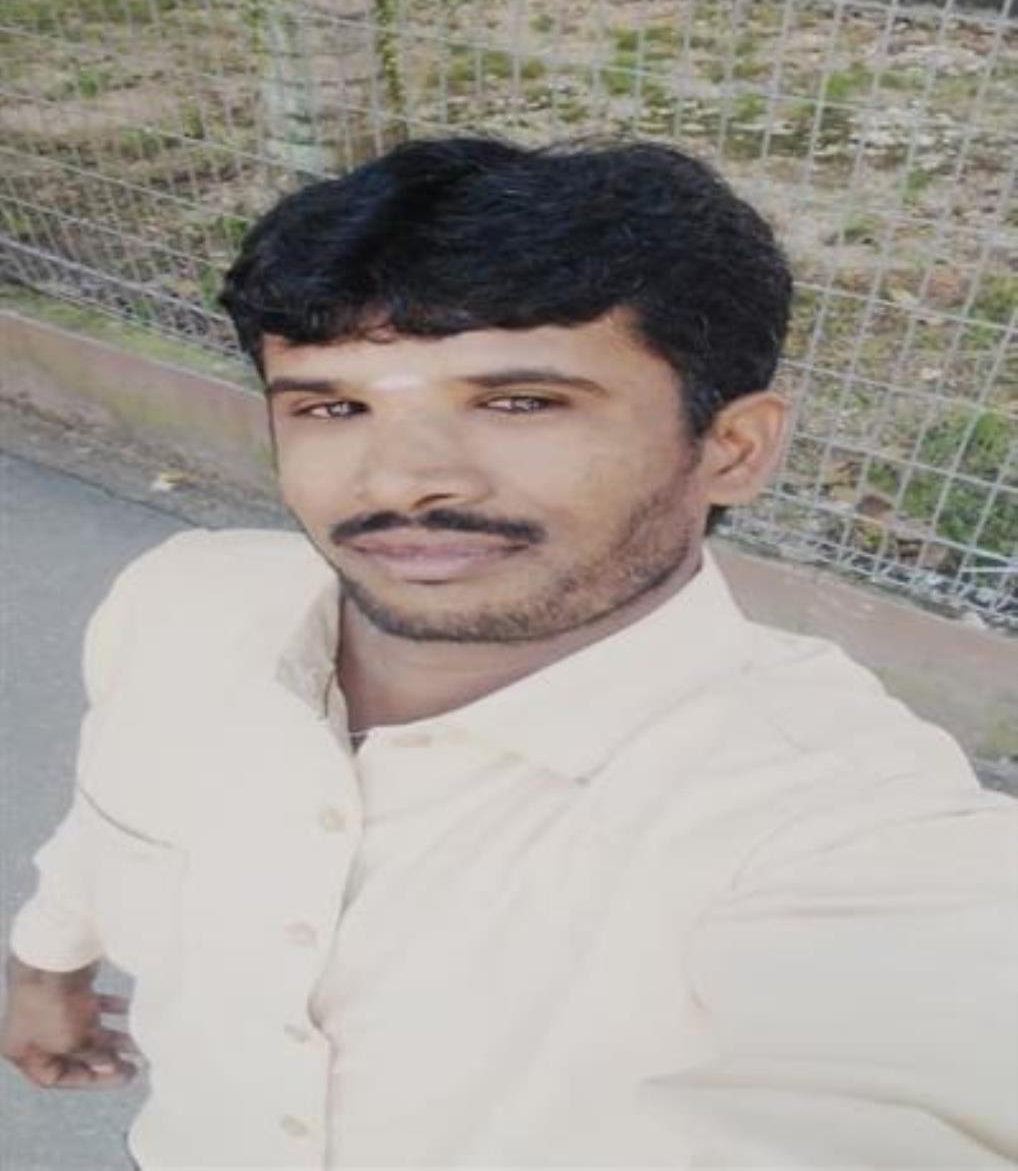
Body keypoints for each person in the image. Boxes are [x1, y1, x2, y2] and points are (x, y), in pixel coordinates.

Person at [2, 138, 1015, 1170]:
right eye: (332, 406)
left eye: (519, 401)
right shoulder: (184, 600)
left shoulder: (845, 830)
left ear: (732, 448)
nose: (402, 478)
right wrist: (47, 964)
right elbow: (110, 812)